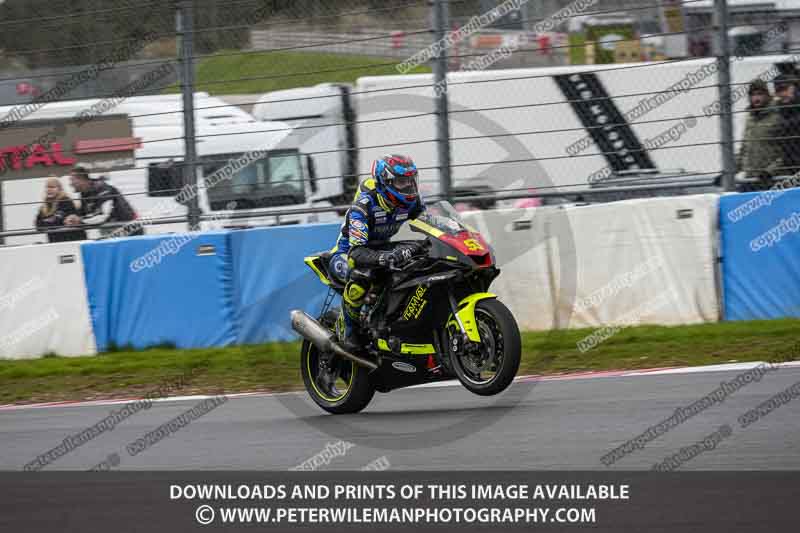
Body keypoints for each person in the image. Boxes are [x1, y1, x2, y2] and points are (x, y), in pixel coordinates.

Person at [328, 154, 426, 351]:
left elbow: (429, 223)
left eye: (410, 180)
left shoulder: (412, 203)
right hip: (347, 254)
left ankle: (390, 324)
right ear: (385, 182)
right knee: (360, 278)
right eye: (401, 182)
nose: (408, 186)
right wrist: (383, 257)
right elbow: (356, 252)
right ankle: (348, 330)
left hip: (382, 248)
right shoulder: (364, 206)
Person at [65, 166, 143, 237]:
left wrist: (80, 220)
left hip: (130, 228)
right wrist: (72, 218)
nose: (70, 184)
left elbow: (103, 216)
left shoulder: (103, 189)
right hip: (114, 230)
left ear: (81, 180)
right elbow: (84, 215)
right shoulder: (84, 194)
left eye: (72, 180)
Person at [735, 79, 783, 187]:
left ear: (767, 95)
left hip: (772, 179)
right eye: (753, 95)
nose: (756, 98)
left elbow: (786, 151)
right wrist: (729, 172)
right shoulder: (750, 118)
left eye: (760, 94)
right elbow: (744, 148)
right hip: (750, 179)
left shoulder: (778, 115)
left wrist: (770, 171)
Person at [34, 176, 87, 243]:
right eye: (47, 187)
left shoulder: (65, 201)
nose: (49, 189)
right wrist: (50, 221)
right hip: (55, 241)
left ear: (59, 189)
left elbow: (57, 221)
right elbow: (38, 225)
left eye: (52, 187)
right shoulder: (44, 207)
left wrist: (45, 221)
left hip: (72, 240)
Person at [773, 72, 800, 177]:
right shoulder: (779, 111)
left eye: (785, 89)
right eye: (778, 91)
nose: (782, 94)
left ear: (793, 87)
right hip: (789, 168)